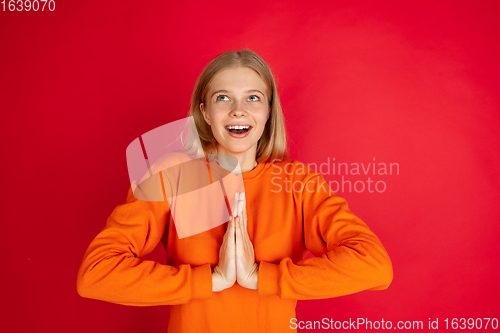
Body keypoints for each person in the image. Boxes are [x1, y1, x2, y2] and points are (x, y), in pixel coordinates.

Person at [76, 49, 393, 332]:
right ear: (204, 112)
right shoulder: (171, 175)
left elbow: (373, 266)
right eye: (223, 98)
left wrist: (259, 277)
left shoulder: (299, 182)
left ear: (268, 112)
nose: (238, 110)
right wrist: (213, 279)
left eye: (253, 98)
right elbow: (96, 274)